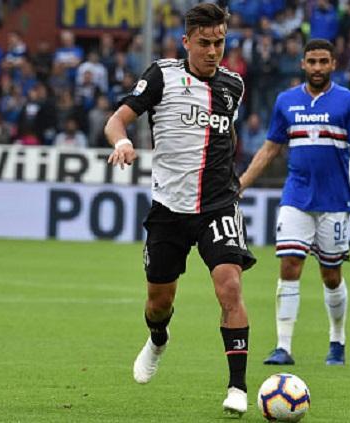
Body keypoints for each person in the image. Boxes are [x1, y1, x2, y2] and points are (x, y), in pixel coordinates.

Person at [105, 4, 255, 416]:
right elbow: (116, 120)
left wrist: (231, 179)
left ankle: (238, 387)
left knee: (230, 286)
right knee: (158, 302)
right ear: (187, 42)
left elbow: (225, 138)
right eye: (204, 43)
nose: (213, 51)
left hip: (217, 205)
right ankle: (157, 338)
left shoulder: (233, 85)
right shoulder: (161, 75)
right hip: (169, 208)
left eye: (219, 42)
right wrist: (121, 142)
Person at [239, 39, 350, 367]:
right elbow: (270, 149)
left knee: (331, 275)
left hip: (334, 199)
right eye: (311, 61)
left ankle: (337, 340)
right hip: (296, 196)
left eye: (323, 62)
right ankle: (283, 347)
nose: (317, 67)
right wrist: (240, 184)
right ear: (302, 64)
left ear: (332, 64)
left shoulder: (347, 102)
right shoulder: (286, 101)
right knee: (289, 266)